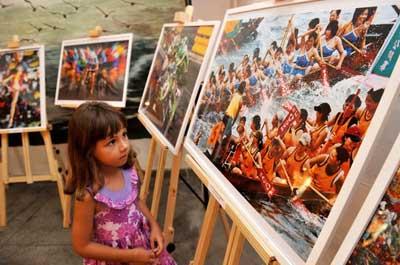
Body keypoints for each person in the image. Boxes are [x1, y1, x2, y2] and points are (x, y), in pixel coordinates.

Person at [66, 102, 176, 265]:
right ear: (88, 149)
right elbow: (81, 245)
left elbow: (136, 201)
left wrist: (154, 226)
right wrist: (130, 256)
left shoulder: (128, 170)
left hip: (142, 249)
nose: (124, 146)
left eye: (124, 134)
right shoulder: (89, 195)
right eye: (112, 142)